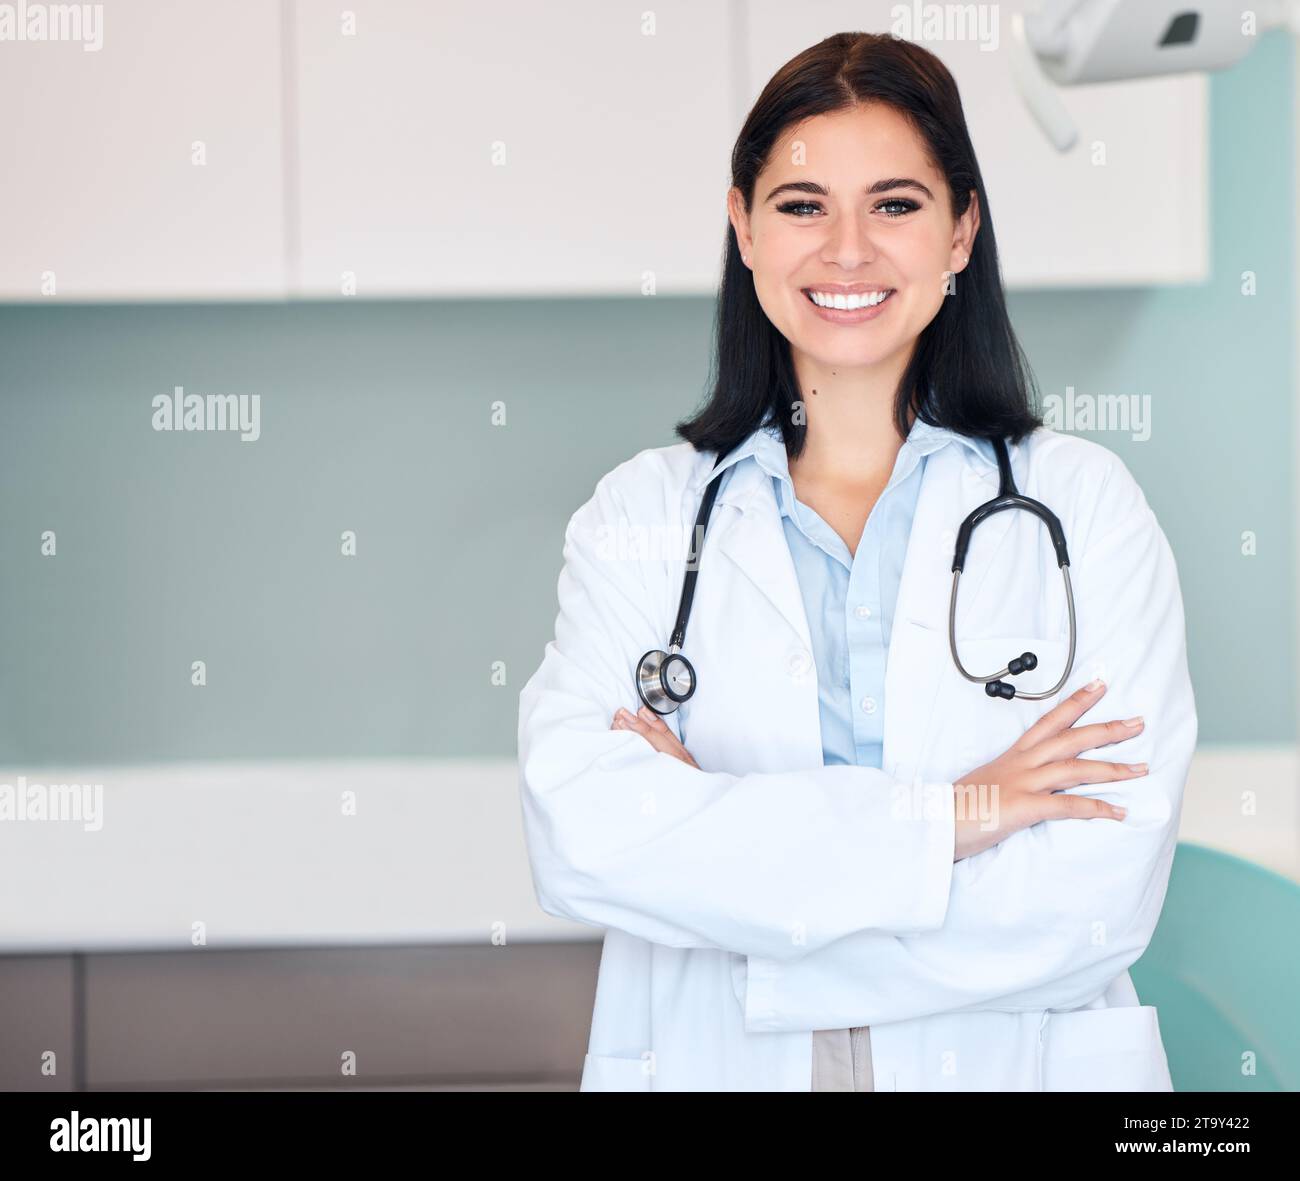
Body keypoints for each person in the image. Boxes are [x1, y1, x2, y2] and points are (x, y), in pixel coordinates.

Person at [517, 31, 1197, 1092]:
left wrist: (748, 896)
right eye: (800, 206)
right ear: (742, 225)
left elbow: (1093, 901)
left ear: (961, 231)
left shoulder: (1085, 510)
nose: (846, 250)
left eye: (893, 204)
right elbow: (582, 835)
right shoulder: (641, 518)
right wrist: (960, 815)